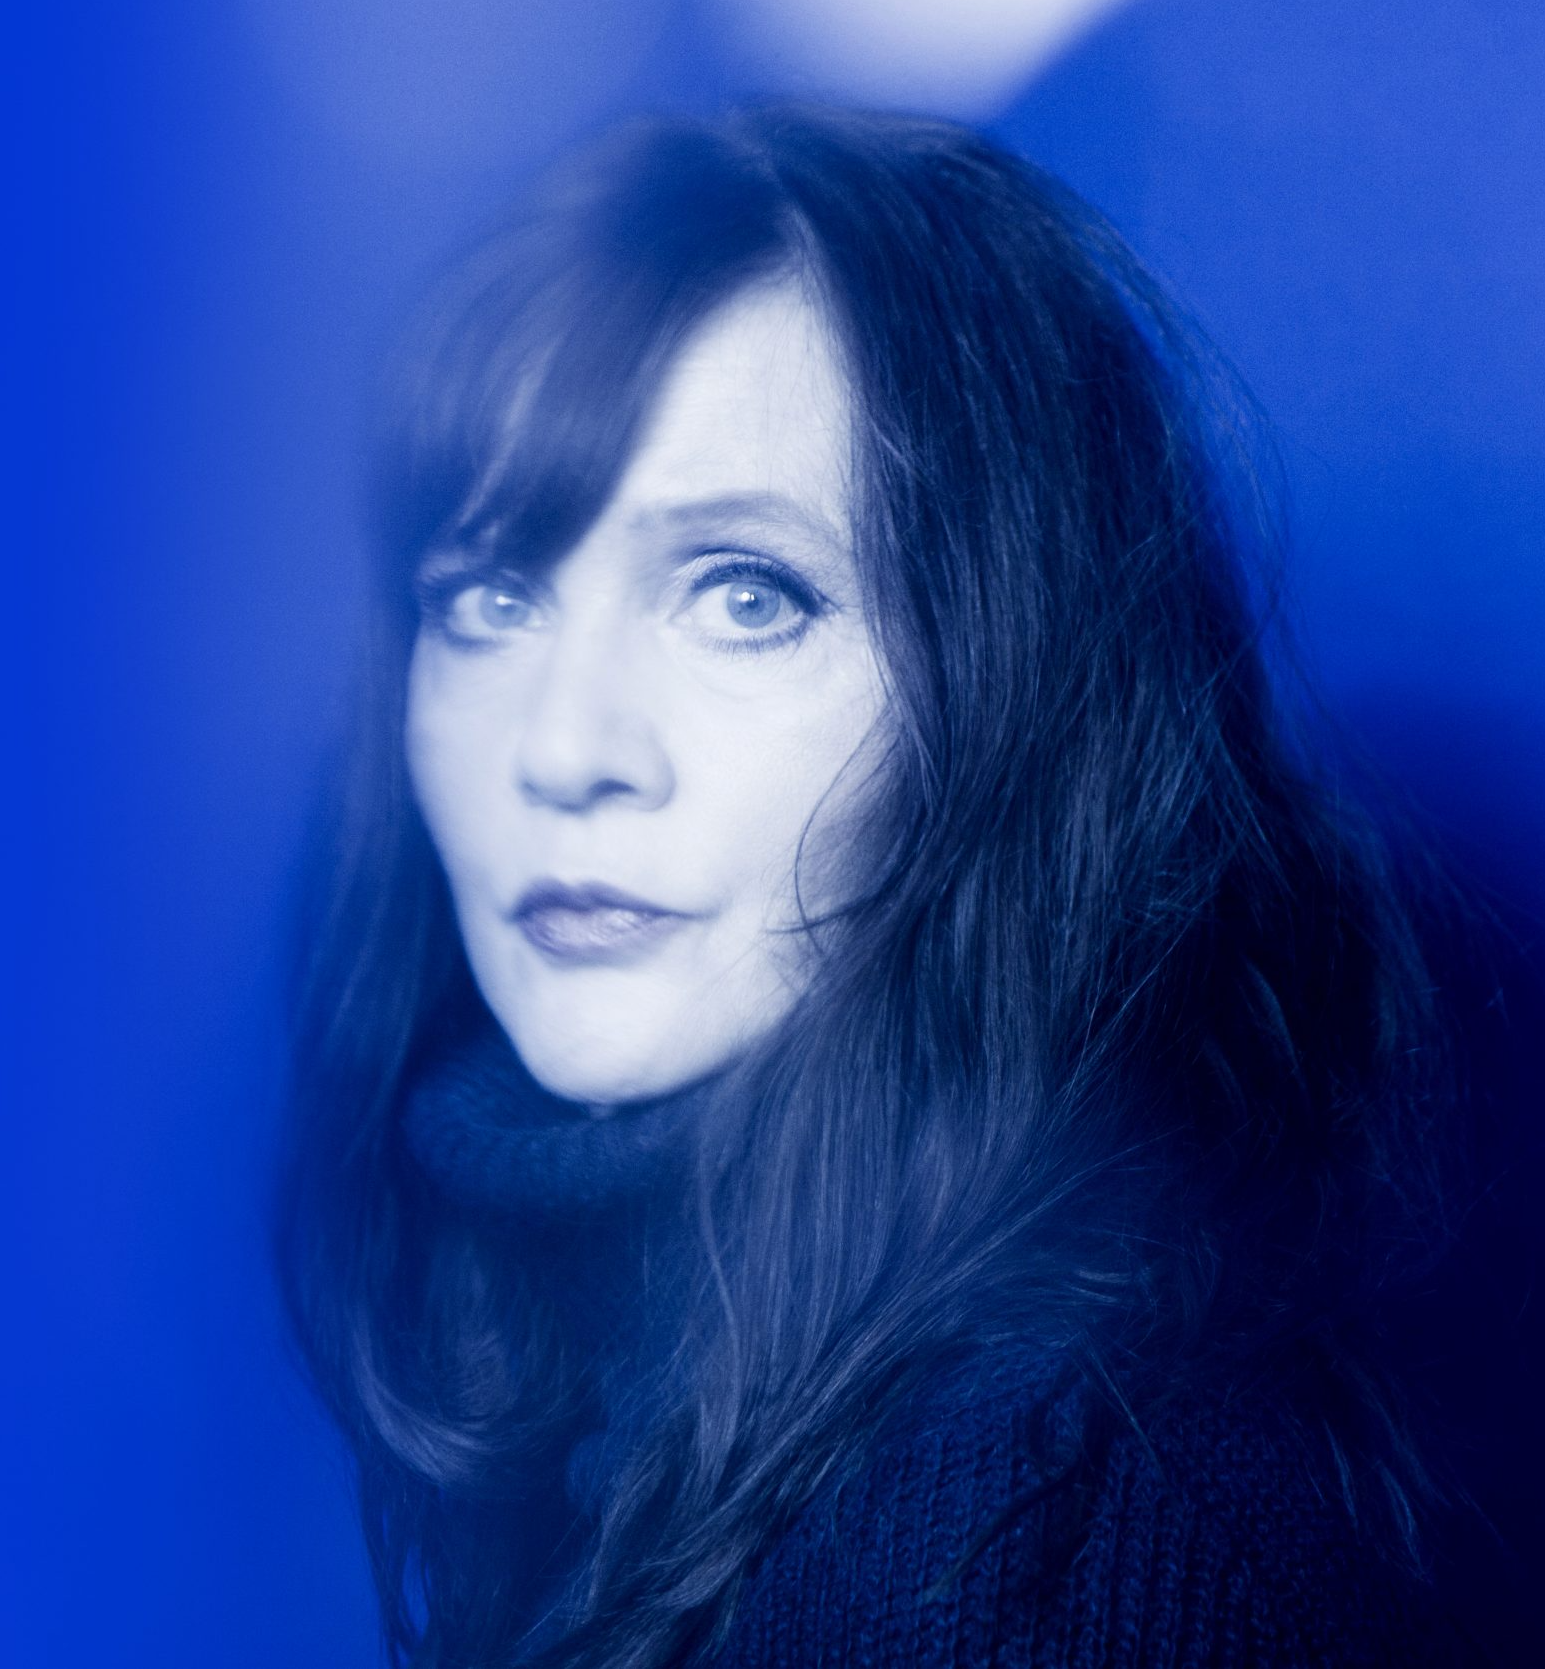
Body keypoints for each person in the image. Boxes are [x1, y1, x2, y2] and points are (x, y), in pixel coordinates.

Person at [276, 105, 1466, 1666]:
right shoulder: (655, 1391)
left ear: (1004, 697)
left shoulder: (1049, 1546)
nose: (563, 747)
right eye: (493, 596)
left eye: (746, 596)